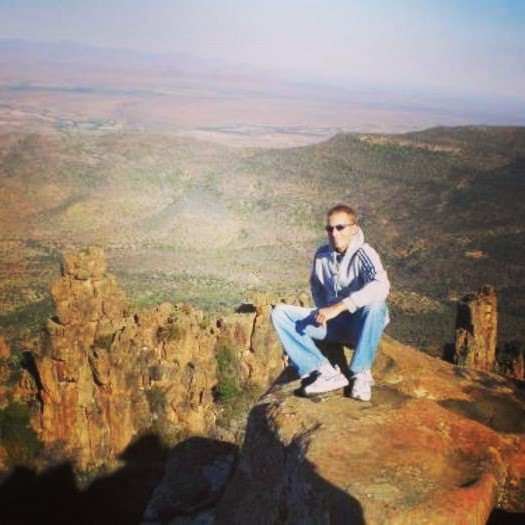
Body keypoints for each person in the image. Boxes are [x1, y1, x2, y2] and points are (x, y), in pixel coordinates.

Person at [271, 204, 390, 401]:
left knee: (377, 305)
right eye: (329, 228)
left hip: (360, 325)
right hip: (334, 325)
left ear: (354, 228)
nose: (334, 233)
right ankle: (323, 370)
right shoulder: (322, 255)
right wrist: (323, 311)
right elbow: (316, 286)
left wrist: (339, 307)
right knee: (280, 314)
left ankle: (360, 373)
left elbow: (382, 285)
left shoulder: (364, 253)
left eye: (340, 227)